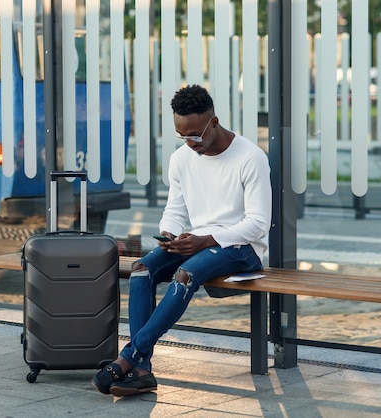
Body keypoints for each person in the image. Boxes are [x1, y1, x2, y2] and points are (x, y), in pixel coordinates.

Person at [92, 84, 272, 397]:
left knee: (184, 275)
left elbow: (257, 225)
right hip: (202, 242)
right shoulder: (181, 160)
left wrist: (204, 240)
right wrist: (170, 235)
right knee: (140, 270)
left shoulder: (250, 158)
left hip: (242, 249)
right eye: (182, 135)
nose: (190, 143)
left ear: (213, 122)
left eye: (195, 135)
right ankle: (142, 370)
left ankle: (130, 356)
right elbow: (174, 211)